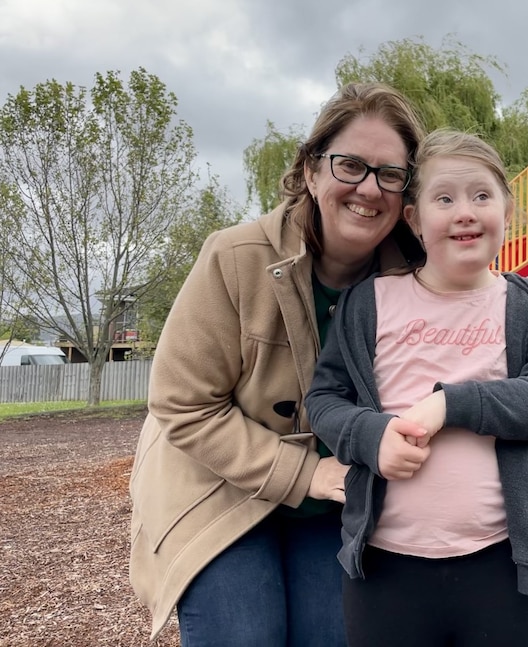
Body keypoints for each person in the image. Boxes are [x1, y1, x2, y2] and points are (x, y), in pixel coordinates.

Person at [128, 82, 426, 646]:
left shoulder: (413, 284)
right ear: (311, 171)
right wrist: (306, 472)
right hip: (217, 486)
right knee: (245, 634)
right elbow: (181, 404)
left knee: (336, 636)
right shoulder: (236, 258)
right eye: (350, 165)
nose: (369, 188)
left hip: (331, 499)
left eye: (390, 174)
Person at [305, 128, 528, 647]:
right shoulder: (369, 303)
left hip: (504, 563)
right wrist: (371, 436)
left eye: (482, 195)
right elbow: (323, 400)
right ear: (413, 217)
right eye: (444, 198)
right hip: (386, 566)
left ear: (507, 208)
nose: (465, 212)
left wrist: (448, 404)